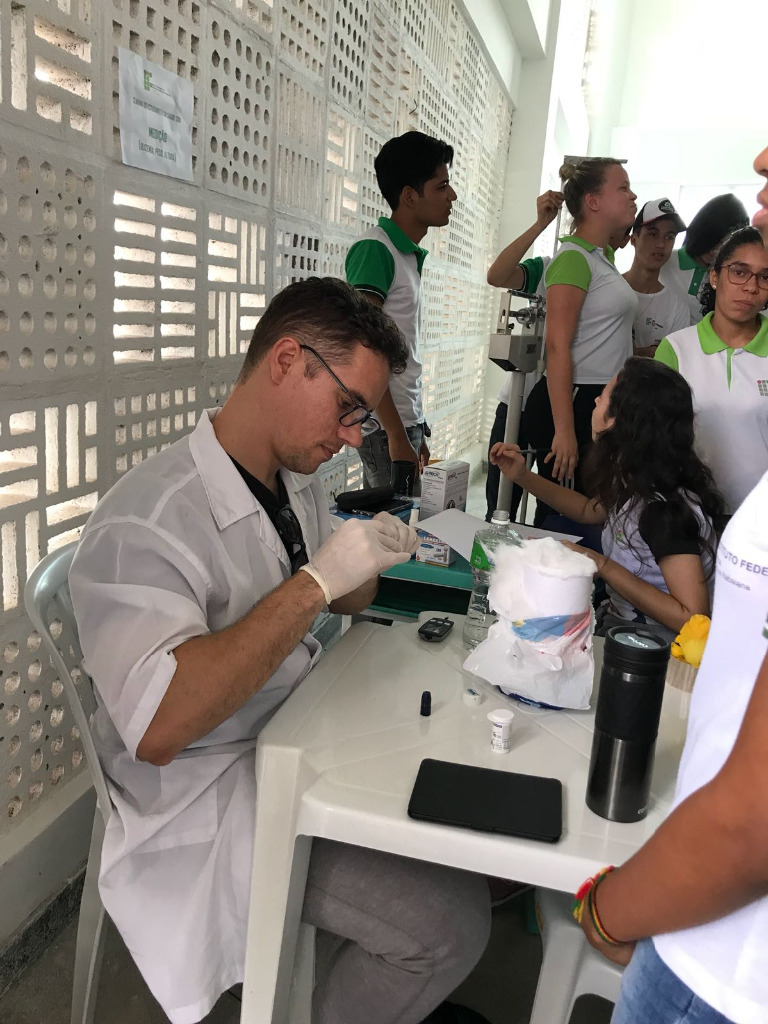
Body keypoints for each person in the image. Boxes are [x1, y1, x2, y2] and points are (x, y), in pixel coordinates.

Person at [69, 278, 491, 1024]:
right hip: (211, 794)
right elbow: (160, 726)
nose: (353, 435)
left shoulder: (288, 478)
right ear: (288, 360)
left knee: (447, 803)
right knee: (448, 924)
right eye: (348, 407)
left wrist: (370, 557)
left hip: (293, 730)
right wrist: (316, 582)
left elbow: (337, 592)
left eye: (364, 416)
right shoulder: (144, 524)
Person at [571, 145, 768, 1024]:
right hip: (699, 921)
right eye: (738, 268)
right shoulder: (680, 361)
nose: (759, 169)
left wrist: (609, 910)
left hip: (717, 964)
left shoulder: (666, 516)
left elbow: (748, 823)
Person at [491, 357, 723, 640]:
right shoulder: (638, 480)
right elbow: (590, 510)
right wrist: (523, 476)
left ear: (622, 421)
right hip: (618, 626)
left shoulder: (665, 512)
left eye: (604, 397)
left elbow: (693, 619)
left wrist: (600, 564)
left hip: (654, 649)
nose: (596, 400)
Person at [484, 190, 630, 522]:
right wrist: (540, 224)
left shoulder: (606, 278)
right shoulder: (557, 265)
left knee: (552, 498)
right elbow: (497, 276)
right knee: (501, 500)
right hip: (522, 398)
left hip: (562, 402)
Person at [521, 158, 638, 526]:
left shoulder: (599, 259)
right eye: (623, 188)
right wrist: (565, 431)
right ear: (593, 201)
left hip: (598, 400)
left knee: (595, 513)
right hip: (573, 401)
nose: (633, 196)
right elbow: (557, 348)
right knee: (567, 519)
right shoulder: (573, 258)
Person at [346, 131, 456, 488]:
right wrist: (395, 433)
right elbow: (365, 348)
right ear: (409, 196)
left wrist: (415, 425)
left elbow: (402, 350)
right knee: (391, 520)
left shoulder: (407, 255)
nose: (452, 196)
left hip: (403, 422)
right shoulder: (375, 249)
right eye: (442, 187)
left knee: (405, 516)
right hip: (383, 428)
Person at [655, 226, 768, 515]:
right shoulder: (676, 349)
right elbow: (655, 441)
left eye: (765, 277)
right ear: (715, 276)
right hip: (691, 513)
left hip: (759, 519)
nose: (751, 287)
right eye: (739, 272)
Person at [659, 193, 749, 322]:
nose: (716, 249)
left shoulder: (730, 276)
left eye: (725, 243)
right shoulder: (664, 261)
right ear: (701, 232)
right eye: (713, 240)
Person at [622, 198, 691, 356]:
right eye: (653, 234)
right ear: (634, 239)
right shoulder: (609, 289)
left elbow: (672, 360)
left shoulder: (677, 308)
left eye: (669, 237)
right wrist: (649, 352)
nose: (661, 244)